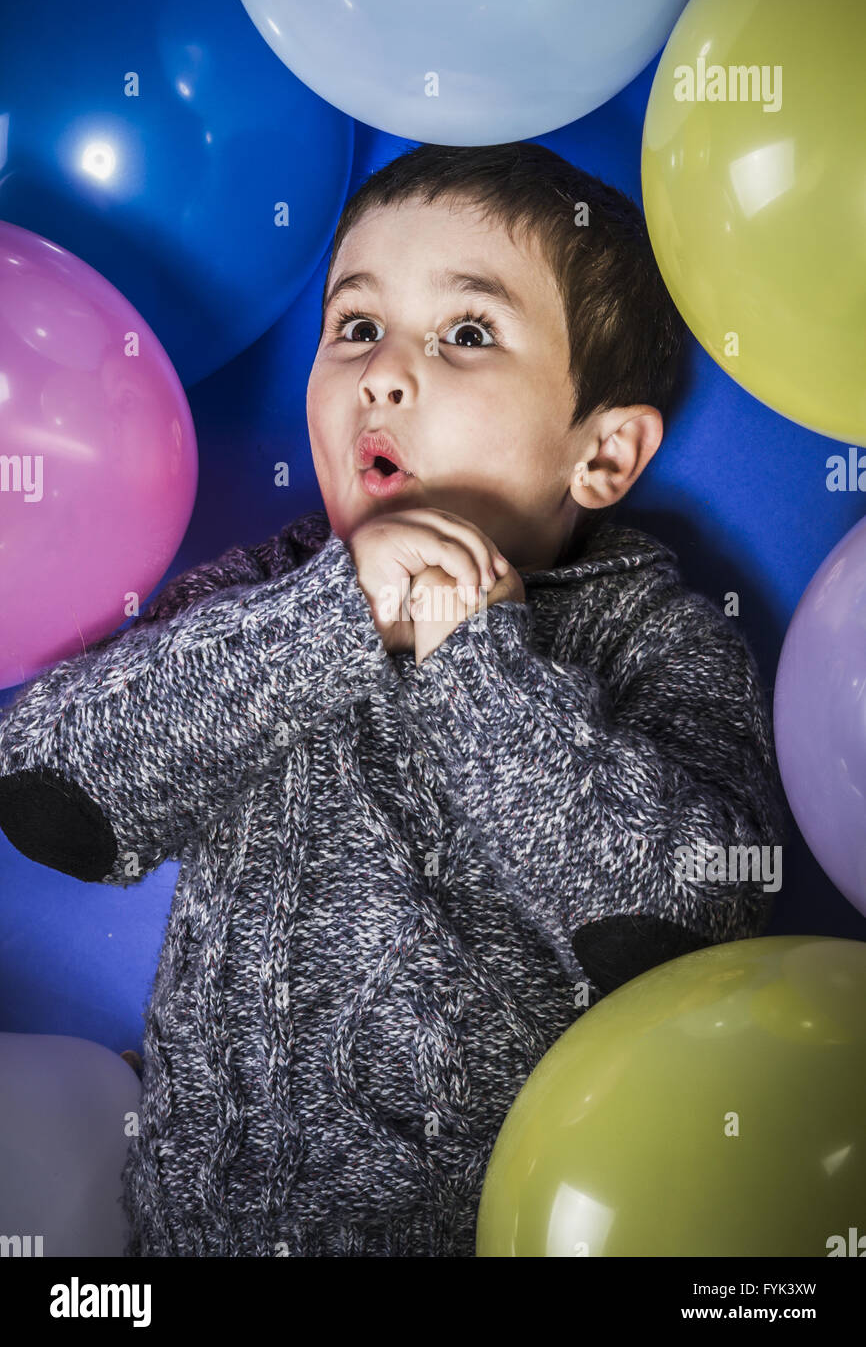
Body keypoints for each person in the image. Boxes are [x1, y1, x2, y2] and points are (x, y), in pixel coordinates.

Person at [0, 142, 787, 1257]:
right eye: (354, 326)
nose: (382, 371)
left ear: (602, 454)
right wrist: (333, 616)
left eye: (465, 334)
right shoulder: (259, 597)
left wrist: (474, 650)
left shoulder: (650, 632)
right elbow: (54, 787)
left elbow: (686, 916)